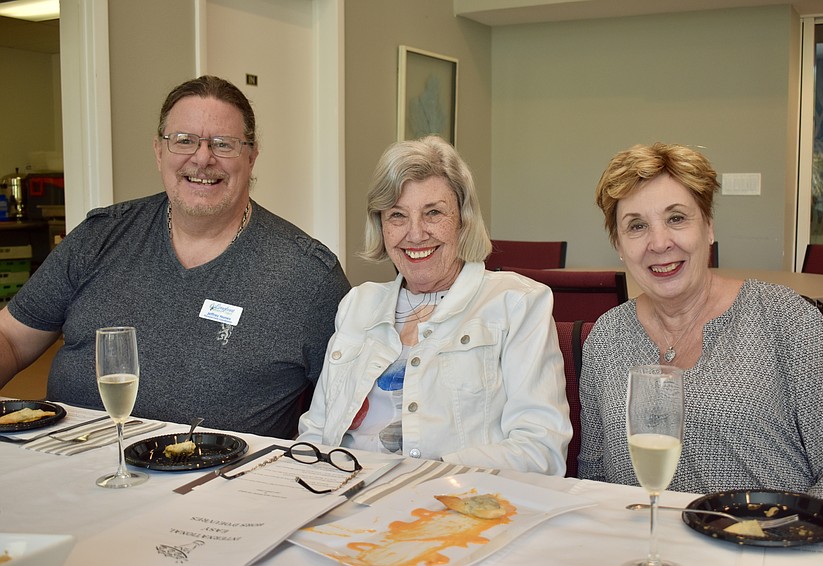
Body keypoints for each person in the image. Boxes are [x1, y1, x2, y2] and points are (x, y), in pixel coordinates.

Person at [0, 75, 350, 438]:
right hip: (62, 463)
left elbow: (352, 405)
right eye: (184, 141)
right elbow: (10, 337)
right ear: (159, 151)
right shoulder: (99, 236)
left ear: (251, 155)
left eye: (223, 144)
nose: (202, 158)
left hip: (211, 486)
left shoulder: (308, 276)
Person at [579, 142, 823, 504]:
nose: (659, 242)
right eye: (637, 226)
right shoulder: (606, 338)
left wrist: (790, 535)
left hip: (772, 547)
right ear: (618, 243)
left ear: (708, 227)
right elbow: (594, 476)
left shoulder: (784, 316)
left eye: (676, 218)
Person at [298, 135, 571, 475]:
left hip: (456, 507)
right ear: (381, 225)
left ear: (464, 220)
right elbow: (315, 432)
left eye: (433, 213)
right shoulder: (358, 304)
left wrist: (422, 478)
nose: (415, 234)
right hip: (341, 496)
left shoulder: (516, 304)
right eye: (397, 215)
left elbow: (540, 452)